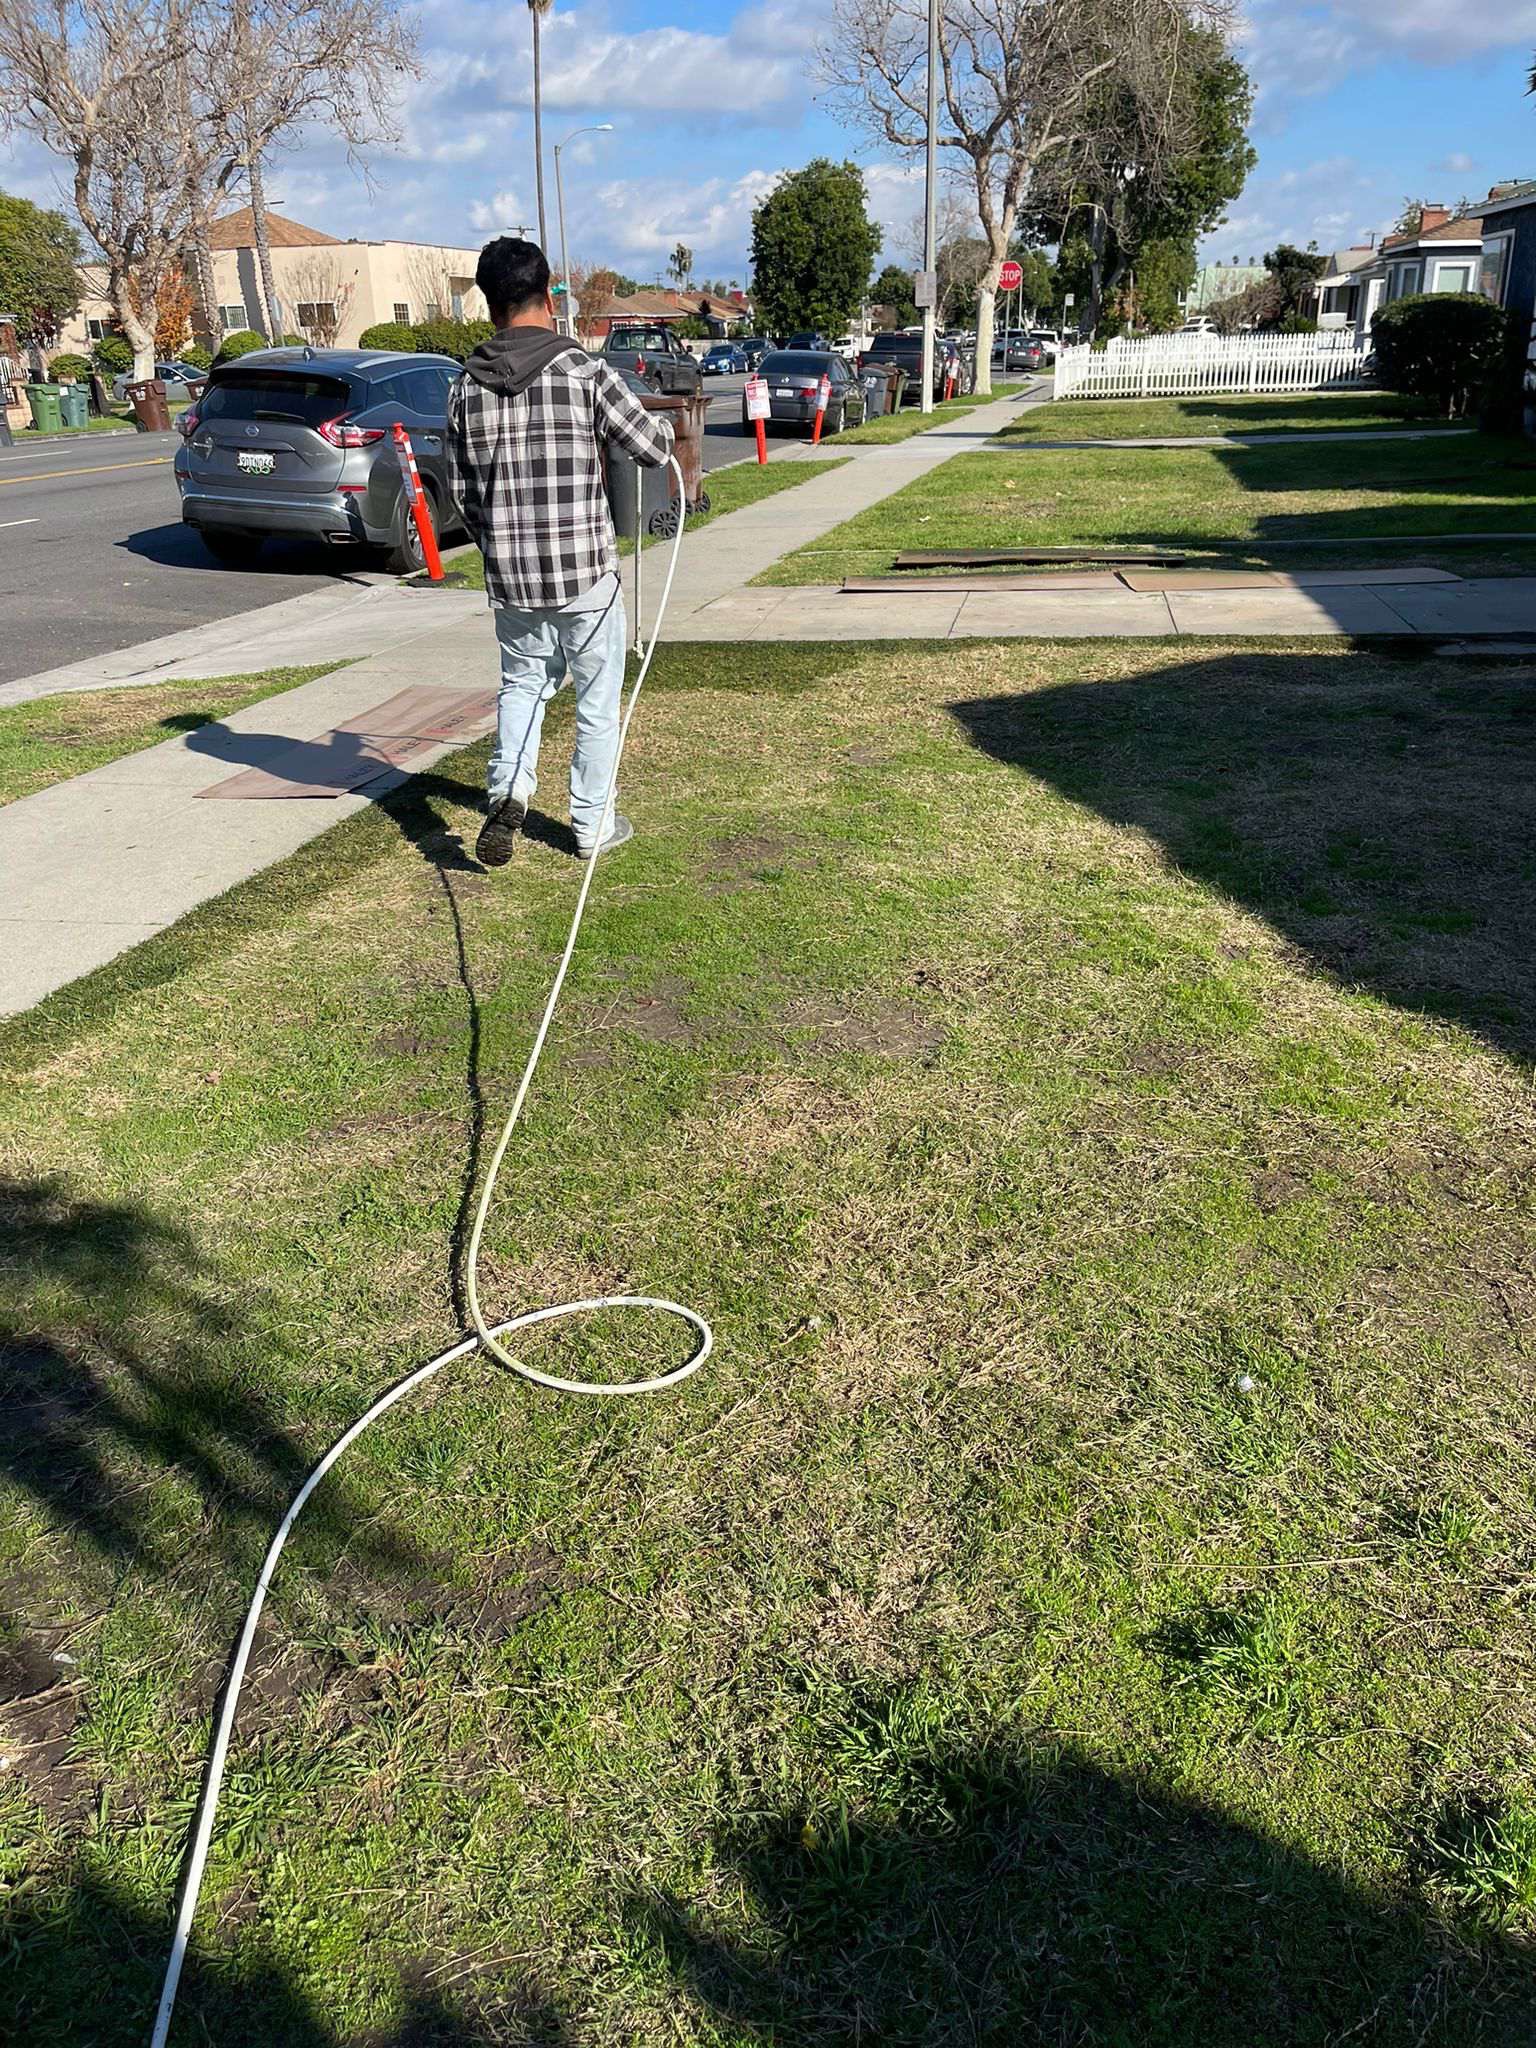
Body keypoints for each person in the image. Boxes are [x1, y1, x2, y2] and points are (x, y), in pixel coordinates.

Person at [447, 237, 675, 867]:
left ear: (490, 307)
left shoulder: (464, 388)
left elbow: (463, 494)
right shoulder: (585, 371)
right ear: (549, 297)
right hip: (583, 574)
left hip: (511, 577)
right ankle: (591, 825)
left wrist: (499, 546)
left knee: (522, 686)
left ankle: (510, 791)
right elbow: (651, 448)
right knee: (596, 701)